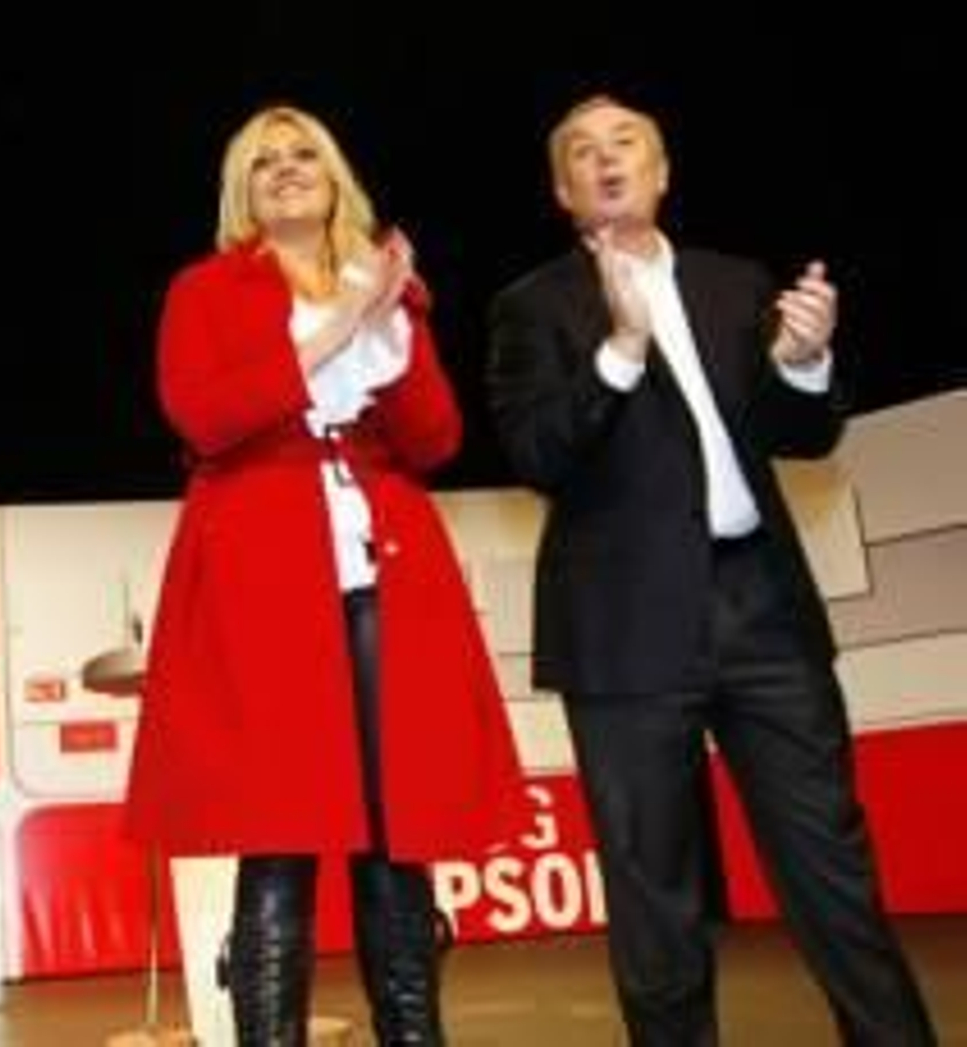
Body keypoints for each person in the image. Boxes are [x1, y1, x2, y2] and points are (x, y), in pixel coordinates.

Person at [486, 93, 937, 1045]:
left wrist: (805, 363)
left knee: (832, 868)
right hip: (624, 631)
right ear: (564, 191)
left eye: (627, 144)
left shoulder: (737, 284)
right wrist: (619, 348)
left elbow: (801, 437)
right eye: (582, 153)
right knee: (656, 897)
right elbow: (536, 453)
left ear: (661, 171)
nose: (607, 161)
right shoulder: (531, 307)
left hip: (762, 607)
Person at [124, 103, 526, 1046]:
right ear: (243, 193)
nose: (287, 169)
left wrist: (389, 322)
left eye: (305, 154)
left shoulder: (387, 285)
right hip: (260, 578)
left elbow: (434, 438)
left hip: (391, 573)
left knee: (398, 829)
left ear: (336, 174)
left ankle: (414, 1034)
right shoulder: (205, 290)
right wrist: (336, 329)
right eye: (264, 162)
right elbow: (204, 417)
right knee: (280, 832)